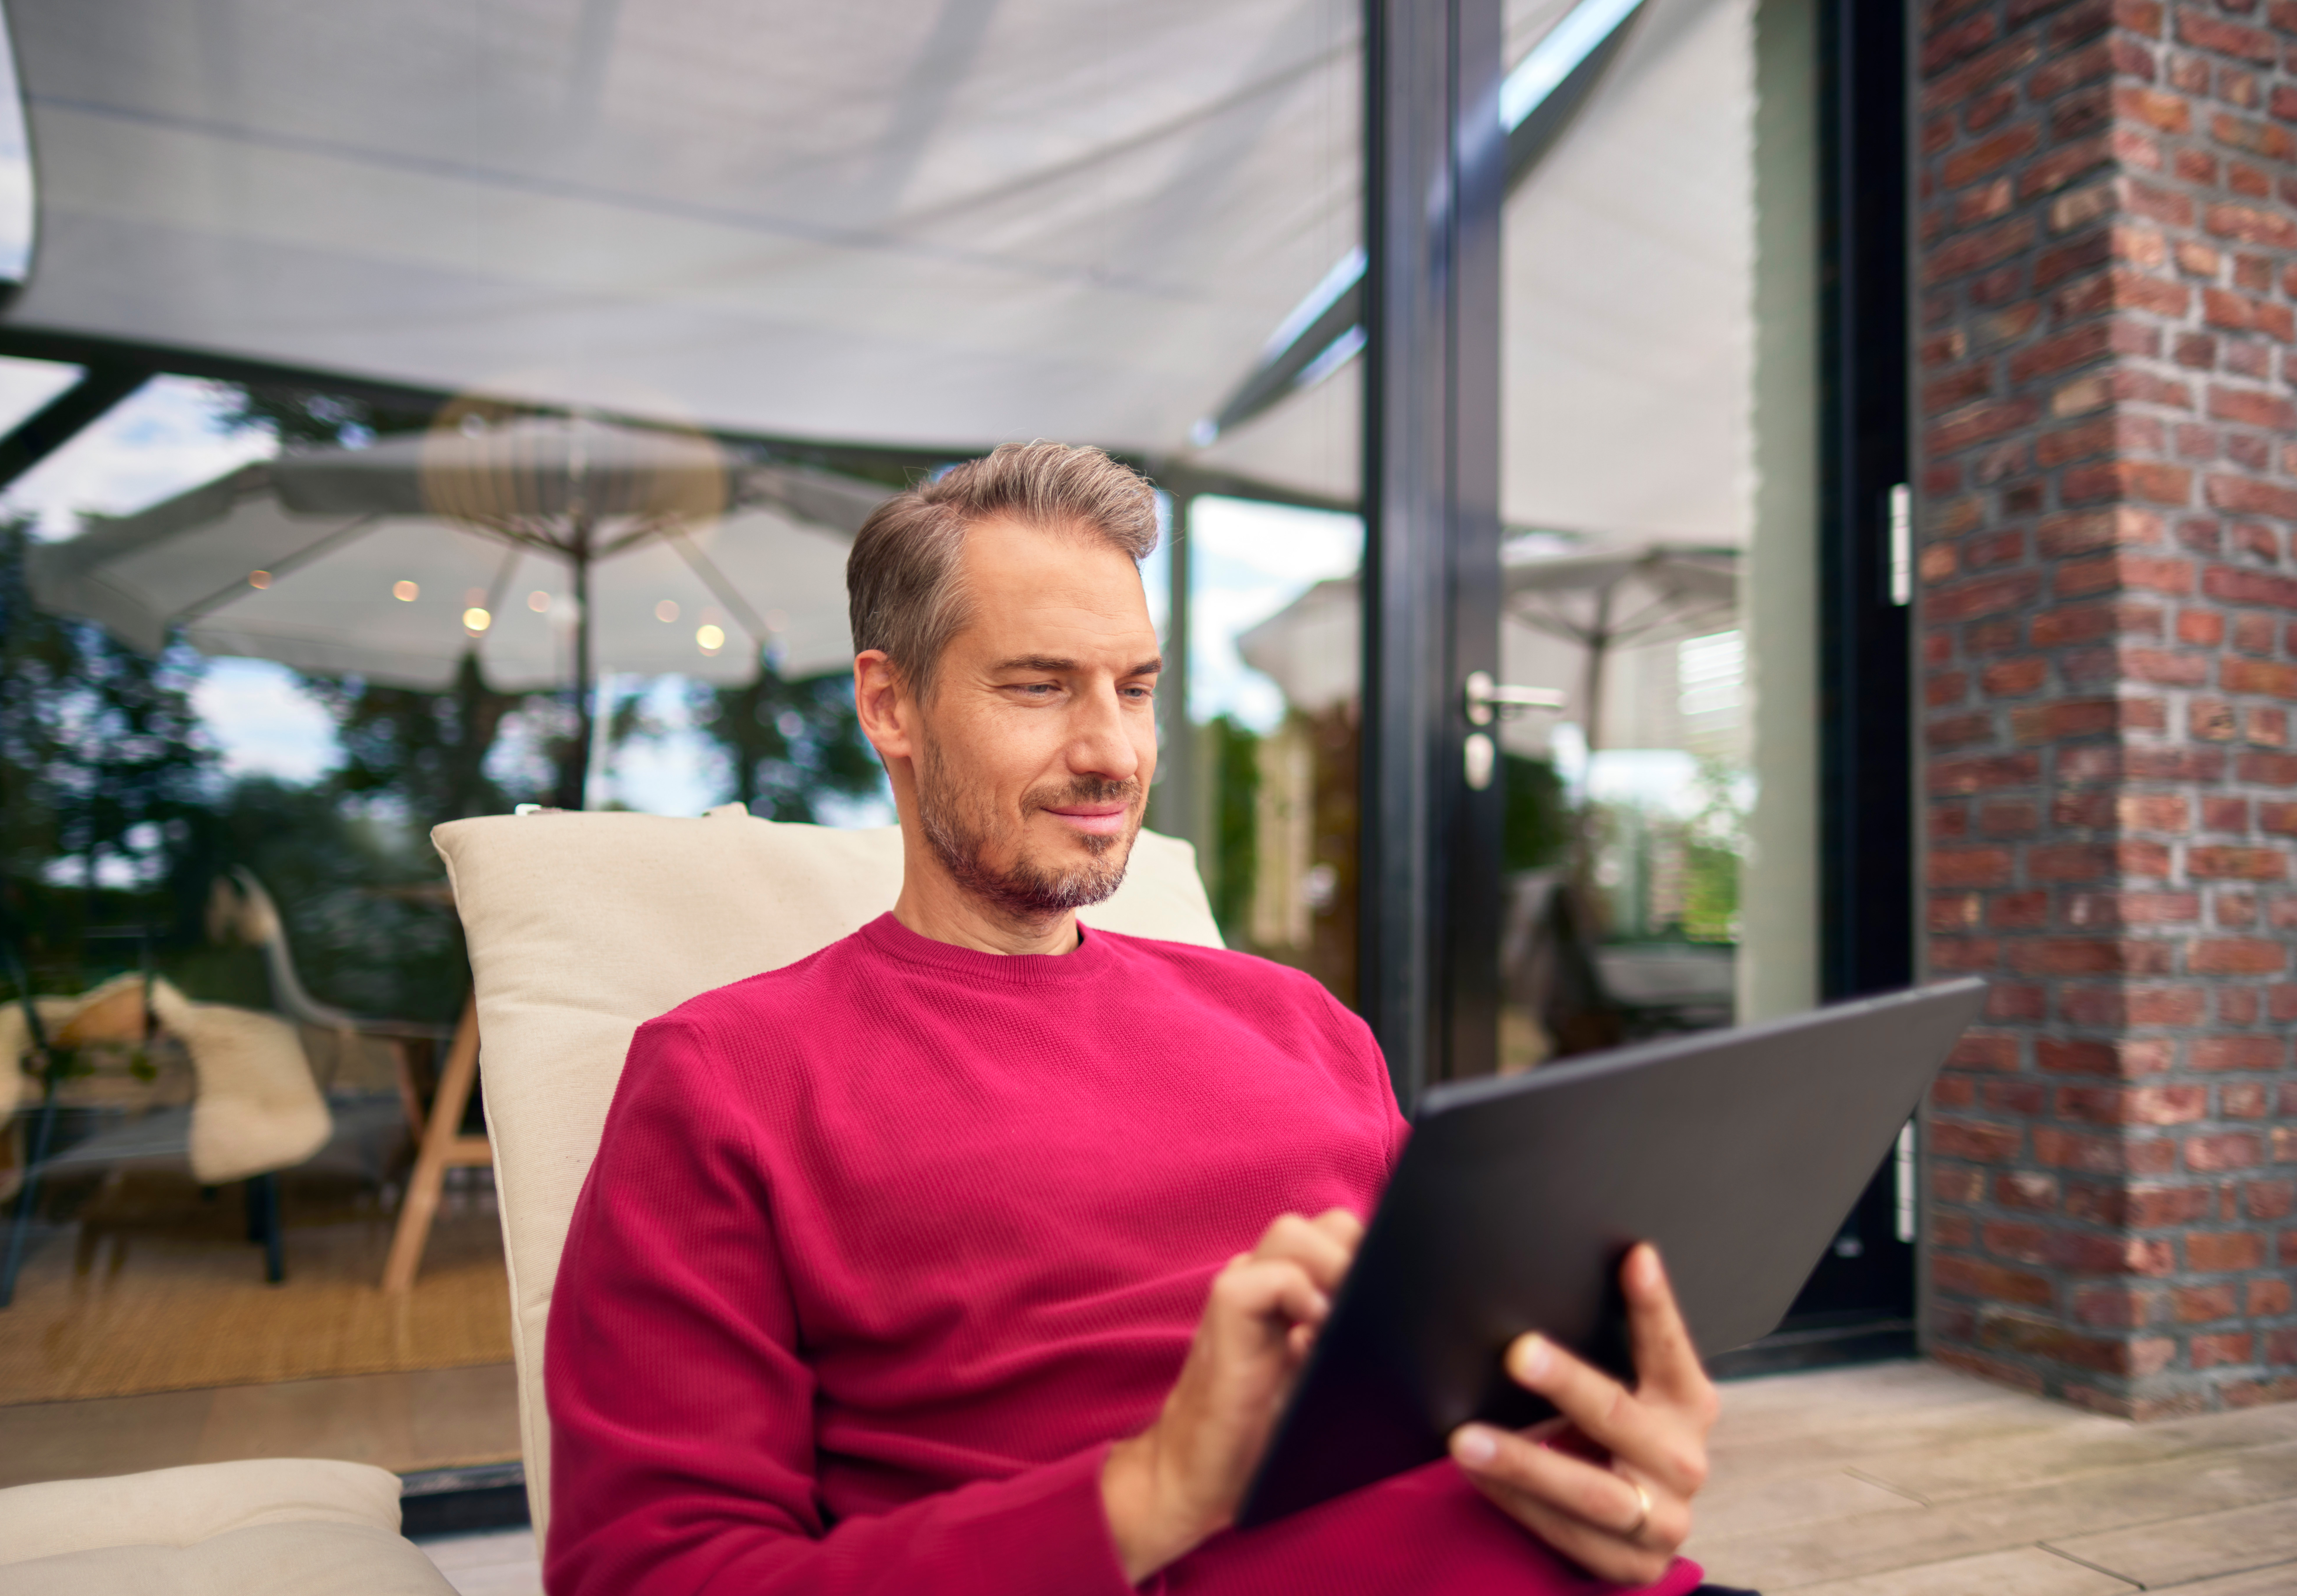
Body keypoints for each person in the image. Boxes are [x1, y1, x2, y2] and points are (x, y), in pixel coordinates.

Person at [544, 443, 1725, 1595]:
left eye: (1137, 687)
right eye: (1039, 685)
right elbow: (651, 1570)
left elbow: (1454, 1372)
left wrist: (1611, 1475)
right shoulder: (724, 1082)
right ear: (889, 705)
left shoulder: (1301, 1023)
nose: (1111, 750)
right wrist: (1155, 1488)